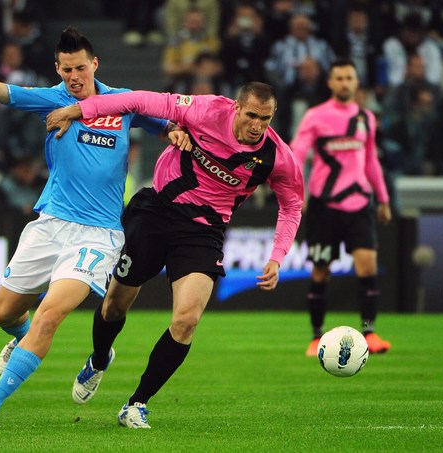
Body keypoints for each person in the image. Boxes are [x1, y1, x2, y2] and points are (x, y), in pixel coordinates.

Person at [0, 26, 189, 429]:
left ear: (95, 64)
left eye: (80, 68)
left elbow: (163, 123)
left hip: (99, 235)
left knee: (49, 316)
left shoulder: (121, 102)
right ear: (58, 68)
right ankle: (22, 338)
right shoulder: (51, 99)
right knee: (3, 313)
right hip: (50, 224)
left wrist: (173, 132)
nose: (74, 76)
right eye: (66, 69)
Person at [46, 81, 304, 429]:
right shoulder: (206, 110)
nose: (258, 125)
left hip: (203, 233)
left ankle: (136, 404)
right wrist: (79, 109)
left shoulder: (277, 156)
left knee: (187, 320)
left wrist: (277, 255)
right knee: (114, 306)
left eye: (267, 118)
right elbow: (139, 99)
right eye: (253, 115)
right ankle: (99, 358)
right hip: (156, 213)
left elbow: (292, 205)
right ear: (237, 108)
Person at [289, 58, 392, 357]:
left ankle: (370, 333)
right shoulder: (316, 116)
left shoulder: (365, 118)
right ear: (330, 83)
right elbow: (298, 153)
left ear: (356, 82)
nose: (345, 83)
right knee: (321, 272)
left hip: (360, 203)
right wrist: (298, 191)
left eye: (350, 78)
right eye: (340, 78)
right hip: (325, 205)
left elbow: (371, 160)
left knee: (367, 266)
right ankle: (316, 336)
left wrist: (383, 198)